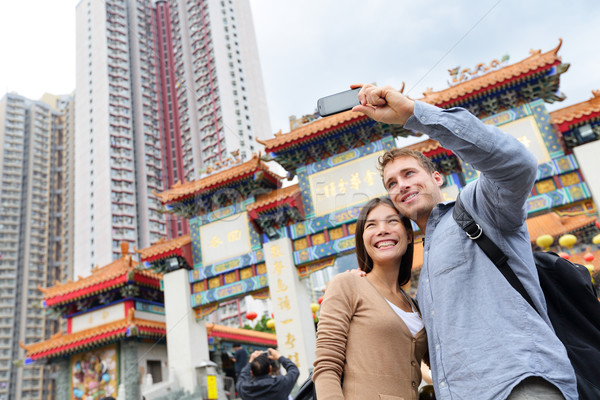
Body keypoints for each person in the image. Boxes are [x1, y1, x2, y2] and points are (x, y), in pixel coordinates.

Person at [351, 84, 578, 399]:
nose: (401, 185)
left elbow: (518, 164)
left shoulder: (478, 208)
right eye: (392, 183)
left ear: (437, 177)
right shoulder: (424, 270)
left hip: (518, 384)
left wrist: (414, 113)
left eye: (409, 174)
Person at [313, 197, 428, 399]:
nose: (382, 230)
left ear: (409, 236)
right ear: (363, 239)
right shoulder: (348, 284)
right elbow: (326, 366)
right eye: (371, 225)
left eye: (392, 221)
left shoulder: (417, 306)